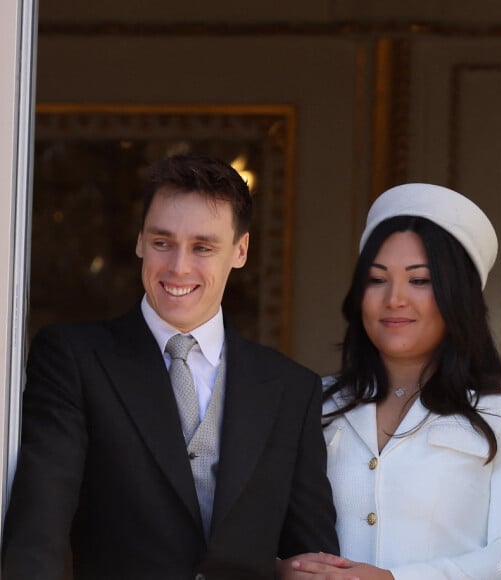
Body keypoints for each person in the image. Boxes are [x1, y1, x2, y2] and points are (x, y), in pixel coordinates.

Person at [2, 153, 338, 580]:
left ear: (240, 250)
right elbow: (38, 531)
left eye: (202, 247)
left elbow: (316, 561)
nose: (178, 266)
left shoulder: (292, 389)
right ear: (141, 240)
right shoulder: (73, 358)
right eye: (162, 242)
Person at [283, 183, 501, 580]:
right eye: (377, 279)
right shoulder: (314, 403)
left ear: (457, 295)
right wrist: (282, 569)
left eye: (419, 281)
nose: (395, 298)